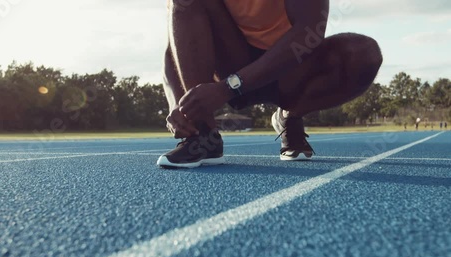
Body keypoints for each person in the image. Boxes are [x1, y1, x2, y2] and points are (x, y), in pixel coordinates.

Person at [157, 0, 383, 168]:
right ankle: (202, 133)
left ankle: (291, 115)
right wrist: (178, 107)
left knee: (363, 55)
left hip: (288, 67)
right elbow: (174, 49)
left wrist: (230, 87)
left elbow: (309, 29)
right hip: (232, 60)